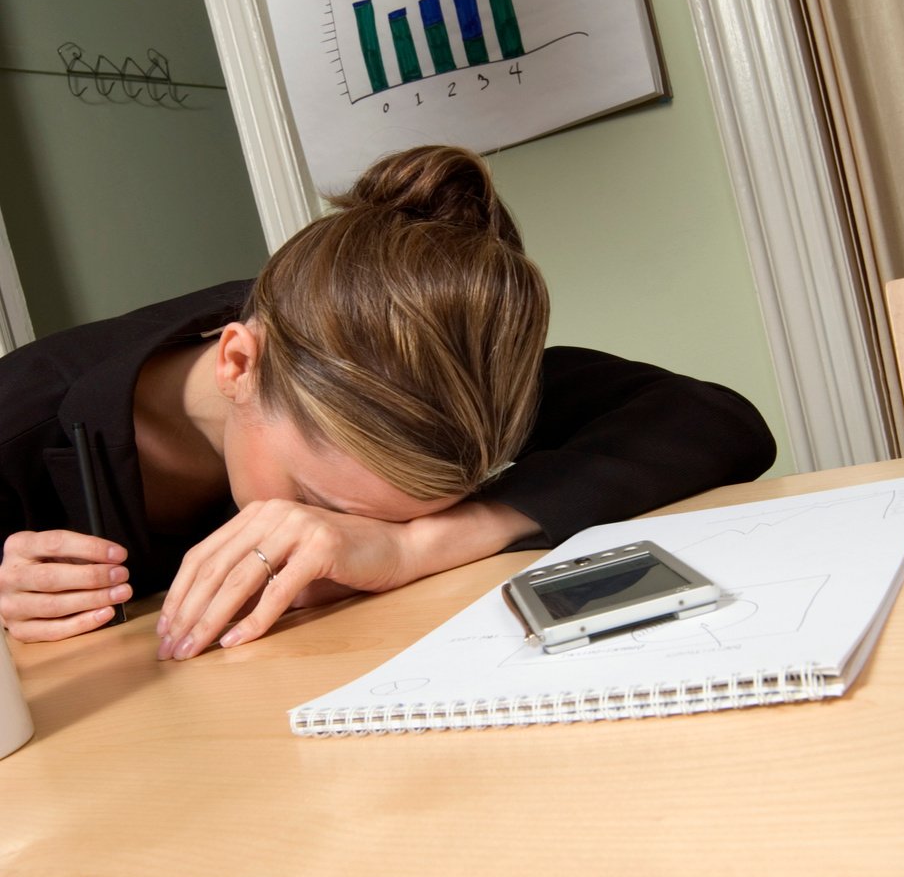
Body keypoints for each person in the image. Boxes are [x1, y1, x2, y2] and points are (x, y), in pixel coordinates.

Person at [0, 144, 776, 659]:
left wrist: (419, 547)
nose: (329, 532)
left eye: (395, 514)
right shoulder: (17, 422)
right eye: (317, 496)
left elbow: (717, 422)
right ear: (238, 361)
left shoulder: (404, 364)